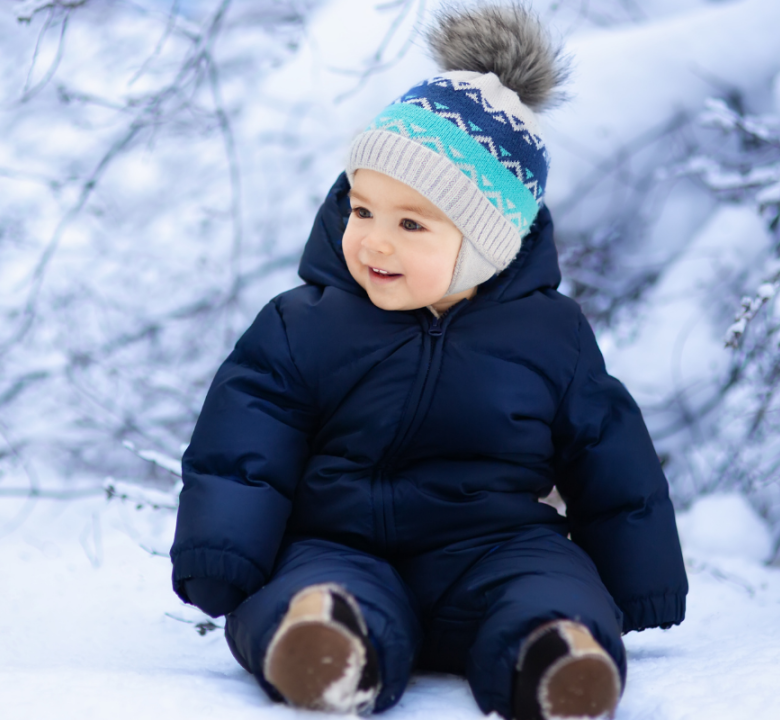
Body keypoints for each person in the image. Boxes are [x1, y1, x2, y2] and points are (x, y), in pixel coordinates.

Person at [169, 5, 687, 719]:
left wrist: (640, 582)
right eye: (362, 210)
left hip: (495, 544)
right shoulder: (306, 322)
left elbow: (609, 453)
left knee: (553, 582)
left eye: (410, 224)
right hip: (340, 540)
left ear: (488, 243)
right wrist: (221, 554)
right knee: (295, 583)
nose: (375, 242)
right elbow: (242, 442)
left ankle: (554, 655)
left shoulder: (550, 334)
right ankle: (326, 640)